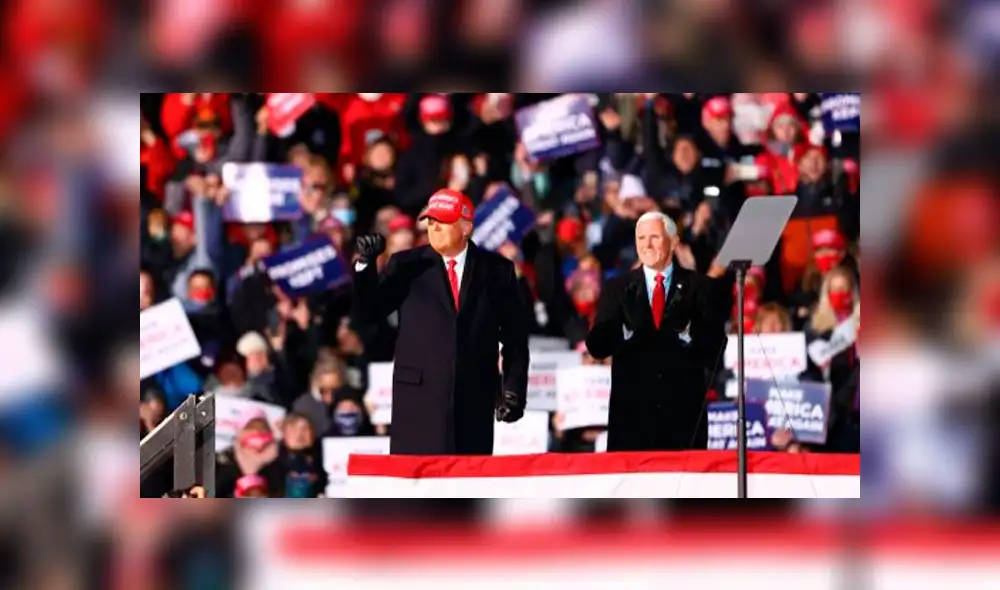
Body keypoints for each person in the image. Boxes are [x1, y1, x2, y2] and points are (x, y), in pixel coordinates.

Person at [352, 188, 530, 455]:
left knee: (467, 480)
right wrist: (365, 266)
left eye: (442, 221)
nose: (433, 228)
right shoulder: (407, 265)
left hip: (473, 403)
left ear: (466, 227)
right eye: (430, 221)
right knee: (417, 481)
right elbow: (368, 314)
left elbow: (514, 338)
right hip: (418, 404)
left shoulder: (497, 270)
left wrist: (513, 391)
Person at [585, 211, 728, 451]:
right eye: (641, 238)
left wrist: (687, 332)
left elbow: (716, 350)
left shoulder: (701, 287)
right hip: (631, 423)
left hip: (683, 420)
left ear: (673, 242)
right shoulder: (618, 288)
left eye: (654, 237)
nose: (647, 245)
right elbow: (597, 347)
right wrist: (625, 329)